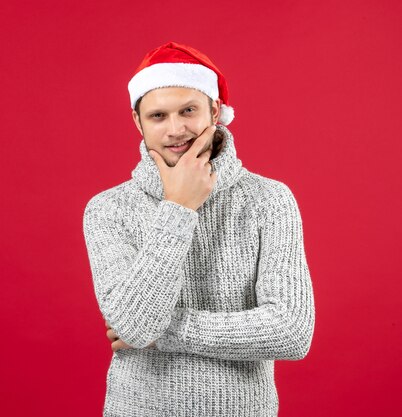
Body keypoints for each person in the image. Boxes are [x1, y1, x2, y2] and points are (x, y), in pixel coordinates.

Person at [82, 41, 315, 417]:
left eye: (188, 110)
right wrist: (179, 207)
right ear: (137, 121)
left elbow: (291, 331)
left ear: (215, 111)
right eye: (158, 116)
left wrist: (164, 331)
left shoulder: (268, 200)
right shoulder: (109, 210)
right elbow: (136, 326)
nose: (176, 130)